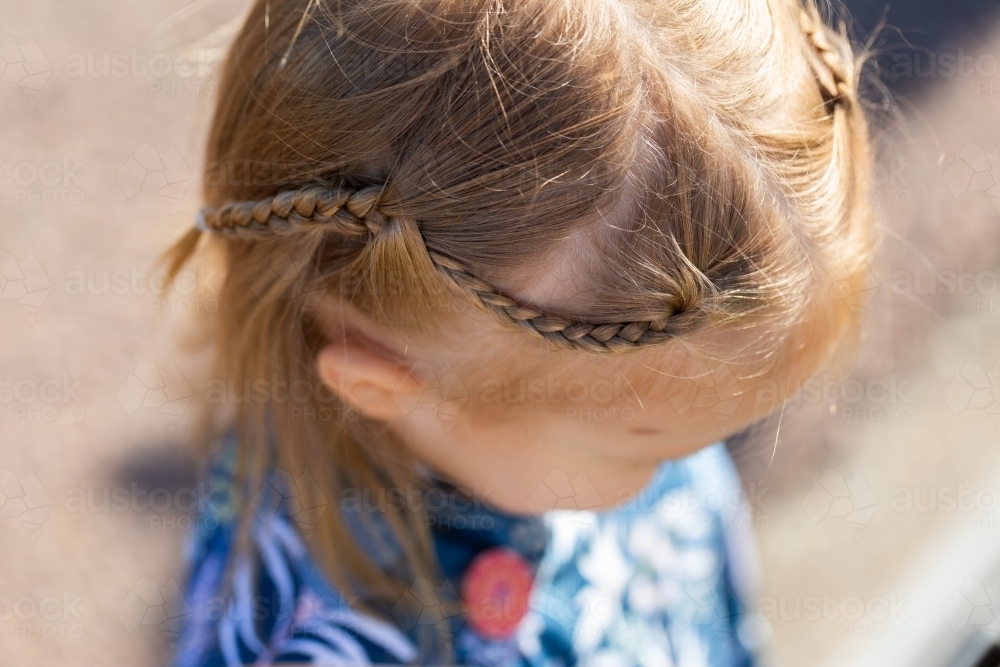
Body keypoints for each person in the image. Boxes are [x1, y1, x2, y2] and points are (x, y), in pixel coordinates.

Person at [166, 0, 874, 664]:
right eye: (652, 451)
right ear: (382, 385)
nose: (694, 462)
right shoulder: (311, 639)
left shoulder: (585, 410)